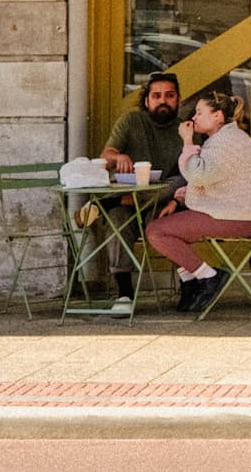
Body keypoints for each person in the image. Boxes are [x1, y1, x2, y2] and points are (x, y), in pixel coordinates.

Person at [145, 91, 251, 314]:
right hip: (233, 212)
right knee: (163, 221)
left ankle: (209, 276)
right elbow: (211, 179)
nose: (194, 117)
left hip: (236, 217)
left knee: (157, 232)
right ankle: (190, 282)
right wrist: (179, 198)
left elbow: (199, 176)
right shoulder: (224, 139)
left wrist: (187, 141)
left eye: (200, 112)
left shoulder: (227, 143)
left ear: (218, 117)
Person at [95, 71, 185, 317]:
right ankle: (124, 293)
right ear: (147, 100)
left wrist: (176, 198)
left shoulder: (185, 129)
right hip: (127, 202)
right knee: (117, 220)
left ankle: (190, 283)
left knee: (171, 206)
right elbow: (106, 156)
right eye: (156, 96)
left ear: (178, 99)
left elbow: (189, 175)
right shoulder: (131, 121)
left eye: (169, 95)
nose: (163, 101)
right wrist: (118, 157)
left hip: (164, 202)